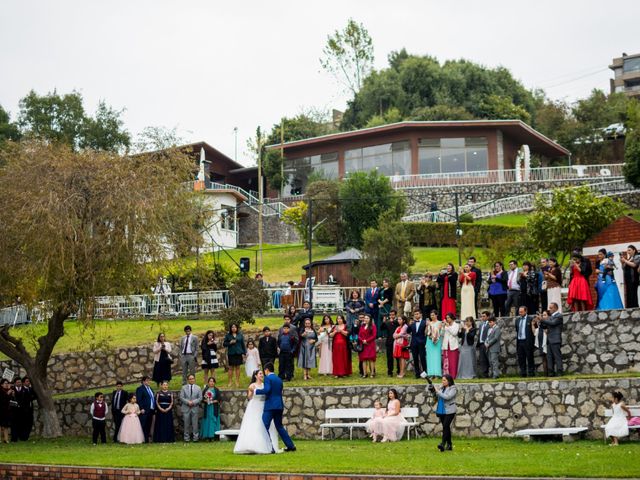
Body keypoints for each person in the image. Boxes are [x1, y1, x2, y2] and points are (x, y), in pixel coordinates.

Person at [234, 369, 282, 454]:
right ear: (256, 376)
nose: (261, 375)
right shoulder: (252, 385)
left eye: (262, 374)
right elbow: (249, 397)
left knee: (263, 424)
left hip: (264, 406)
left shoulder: (265, 385)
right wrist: (251, 392)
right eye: (260, 374)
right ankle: (252, 445)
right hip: (255, 406)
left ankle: (266, 445)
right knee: (254, 424)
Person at [255, 363, 296, 452]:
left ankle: (270, 448)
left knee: (264, 426)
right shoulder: (279, 379)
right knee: (279, 426)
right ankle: (291, 446)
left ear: (266, 370)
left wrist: (256, 391)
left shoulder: (268, 378)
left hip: (270, 406)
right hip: (279, 405)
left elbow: (267, 390)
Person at [431, 374, 457, 452]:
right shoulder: (441, 388)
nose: (443, 382)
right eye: (442, 380)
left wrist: (438, 391)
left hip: (450, 411)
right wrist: (432, 391)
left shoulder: (453, 389)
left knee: (445, 426)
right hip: (441, 410)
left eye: (444, 380)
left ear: (449, 381)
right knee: (446, 427)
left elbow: (447, 397)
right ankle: (449, 445)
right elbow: (436, 397)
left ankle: (442, 444)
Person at [541, 302, 563, 376]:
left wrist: (543, 320)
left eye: (551, 308)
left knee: (557, 356)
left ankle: (559, 371)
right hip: (549, 340)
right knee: (549, 357)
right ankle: (551, 372)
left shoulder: (559, 316)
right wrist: (540, 321)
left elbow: (553, 323)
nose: (549, 309)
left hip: (555, 339)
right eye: (549, 308)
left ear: (555, 308)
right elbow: (544, 326)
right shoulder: (550, 317)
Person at [180, 374, 202, 442]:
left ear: (194, 379)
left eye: (192, 378)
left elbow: (200, 398)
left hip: (194, 408)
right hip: (186, 408)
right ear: (188, 380)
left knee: (195, 424)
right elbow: (181, 397)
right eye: (190, 379)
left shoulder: (198, 388)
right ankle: (186, 438)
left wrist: (193, 402)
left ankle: (196, 438)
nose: (191, 380)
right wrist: (188, 402)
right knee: (186, 424)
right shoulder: (183, 388)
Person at [514, 306, 536, 377]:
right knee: (521, 358)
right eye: (519, 312)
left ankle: (531, 372)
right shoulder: (517, 320)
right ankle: (523, 372)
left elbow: (534, 330)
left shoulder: (530, 319)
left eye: (521, 312)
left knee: (530, 357)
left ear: (526, 311)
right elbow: (517, 329)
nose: (520, 313)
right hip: (520, 341)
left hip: (528, 341)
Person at [223, 323, 246, 388]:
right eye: (232, 327)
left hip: (238, 353)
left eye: (235, 327)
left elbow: (243, 344)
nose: (234, 328)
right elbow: (224, 344)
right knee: (231, 368)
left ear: (237, 328)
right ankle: (230, 381)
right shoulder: (228, 335)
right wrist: (230, 343)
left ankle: (237, 381)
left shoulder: (240, 335)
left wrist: (244, 352)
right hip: (231, 353)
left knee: (238, 368)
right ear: (230, 328)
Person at [135, 376, 155, 443]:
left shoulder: (150, 389)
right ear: (143, 381)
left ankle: (147, 440)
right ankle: (143, 439)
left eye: (149, 380)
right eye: (147, 380)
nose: (148, 381)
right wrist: (141, 408)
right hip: (144, 410)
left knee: (149, 425)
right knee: (144, 425)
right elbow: (139, 400)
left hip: (151, 410)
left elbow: (152, 399)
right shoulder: (140, 389)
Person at [200, 377, 221, 441]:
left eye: (213, 381)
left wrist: (212, 401)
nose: (211, 383)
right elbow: (202, 399)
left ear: (214, 382)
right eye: (210, 381)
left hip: (214, 407)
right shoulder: (205, 390)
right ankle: (207, 436)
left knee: (213, 420)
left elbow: (218, 399)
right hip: (207, 408)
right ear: (208, 382)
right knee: (207, 421)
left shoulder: (216, 390)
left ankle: (213, 436)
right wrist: (206, 401)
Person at [409, 309, 427, 378]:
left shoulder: (424, 322)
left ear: (420, 314)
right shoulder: (412, 323)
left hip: (422, 343)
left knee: (422, 358)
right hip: (414, 343)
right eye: (415, 314)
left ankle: (425, 373)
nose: (416, 315)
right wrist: (409, 324)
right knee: (415, 358)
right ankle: (417, 374)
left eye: (417, 314)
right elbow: (408, 331)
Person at [442, 313, 460, 379]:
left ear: (452, 318)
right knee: (446, 361)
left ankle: (453, 375)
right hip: (446, 345)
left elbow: (454, 333)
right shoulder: (446, 325)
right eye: (446, 318)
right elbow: (442, 334)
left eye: (448, 318)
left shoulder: (456, 325)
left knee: (453, 361)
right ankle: (446, 375)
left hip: (453, 345)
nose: (447, 319)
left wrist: (448, 327)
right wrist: (443, 327)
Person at [359, 314, 377, 378]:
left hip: (370, 344)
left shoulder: (373, 326)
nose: (366, 319)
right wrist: (363, 340)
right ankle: (365, 373)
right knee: (364, 359)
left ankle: (372, 373)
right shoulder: (362, 326)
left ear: (370, 319)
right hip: (363, 345)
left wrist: (367, 341)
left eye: (367, 318)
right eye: (365, 318)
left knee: (371, 359)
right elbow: (359, 335)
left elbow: (374, 336)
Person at [426, 310, 443, 378]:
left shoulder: (440, 323)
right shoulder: (429, 323)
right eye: (431, 315)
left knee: (436, 357)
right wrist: (427, 326)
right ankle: (431, 373)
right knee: (430, 358)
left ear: (436, 315)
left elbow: (440, 332)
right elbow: (426, 333)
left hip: (437, 341)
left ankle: (436, 374)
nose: (432, 316)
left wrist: (435, 331)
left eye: (433, 315)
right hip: (429, 341)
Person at [382, 310, 399, 377]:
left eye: (393, 315)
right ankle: (390, 371)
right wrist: (384, 321)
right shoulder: (387, 322)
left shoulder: (398, 321)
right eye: (390, 315)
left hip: (397, 342)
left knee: (398, 357)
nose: (391, 316)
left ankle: (399, 370)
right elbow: (382, 328)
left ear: (395, 315)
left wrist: (393, 321)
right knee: (389, 358)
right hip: (389, 342)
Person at [475, 311, 491, 378]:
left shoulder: (490, 324)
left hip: (487, 344)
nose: (482, 318)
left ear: (488, 317)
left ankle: (491, 373)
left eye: (484, 316)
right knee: (482, 360)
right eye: (481, 316)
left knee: (489, 359)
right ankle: (485, 374)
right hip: (481, 344)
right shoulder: (481, 324)